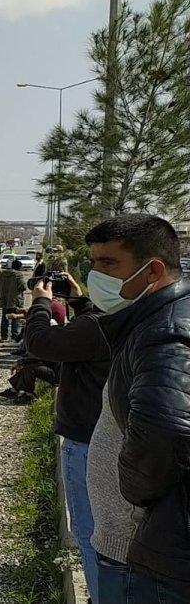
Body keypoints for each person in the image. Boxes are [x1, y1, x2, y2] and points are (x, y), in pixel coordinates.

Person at [82, 215, 190, 600]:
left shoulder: (164, 334)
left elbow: (167, 432)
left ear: (153, 270)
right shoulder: (153, 319)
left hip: (137, 550)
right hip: (142, 544)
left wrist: (133, 504)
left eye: (109, 264)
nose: (96, 275)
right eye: (93, 263)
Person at [10, 273, 110, 600]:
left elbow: (40, 342)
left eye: (106, 263)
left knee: (90, 535)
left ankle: (99, 594)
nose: (96, 272)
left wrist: (40, 301)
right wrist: (81, 302)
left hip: (87, 439)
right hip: (105, 435)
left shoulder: (105, 325)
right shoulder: (139, 317)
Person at [0, 259, 27, 342]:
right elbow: (23, 286)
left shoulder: (3, 274)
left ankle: (3, 336)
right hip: (15, 300)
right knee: (15, 318)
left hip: (4, 299)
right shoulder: (18, 274)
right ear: (19, 267)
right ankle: (14, 336)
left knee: (4, 317)